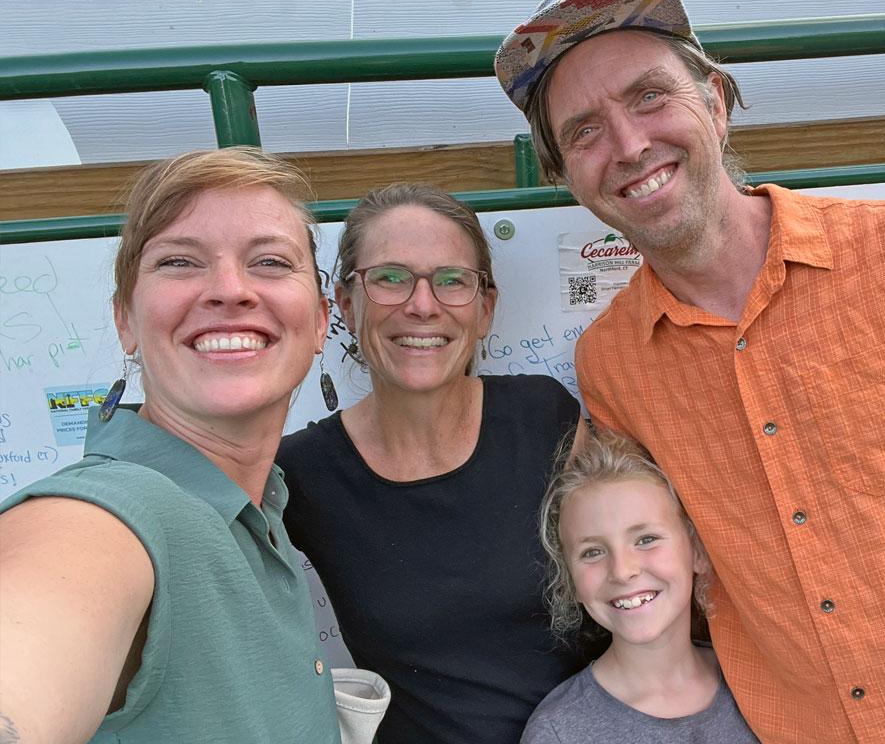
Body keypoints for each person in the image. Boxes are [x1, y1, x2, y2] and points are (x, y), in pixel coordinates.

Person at [495, 0, 885, 742]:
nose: (629, 146)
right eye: (585, 131)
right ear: (565, 177)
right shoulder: (615, 363)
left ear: (717, 102)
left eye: (650, 97)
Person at [0, 147, 342, 743]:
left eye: (269, 261)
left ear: (319, 322)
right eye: (180, 262)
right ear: (125, 321)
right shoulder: (101, 518)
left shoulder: (264, 509)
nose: (230, 289)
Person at [277, 183, 597, 744]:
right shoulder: (300, 474)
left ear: (484, 309)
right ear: (347, 306)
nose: (422, 305)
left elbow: (639, 588)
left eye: (451, 281)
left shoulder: (545, 417)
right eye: (390, 278)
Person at [522, 429, 758, 744]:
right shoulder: (559, 732)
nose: (622, 571)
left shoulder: (756, 684)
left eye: (646, 539)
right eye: (592, 552)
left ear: (697, 551)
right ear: (571, 580)